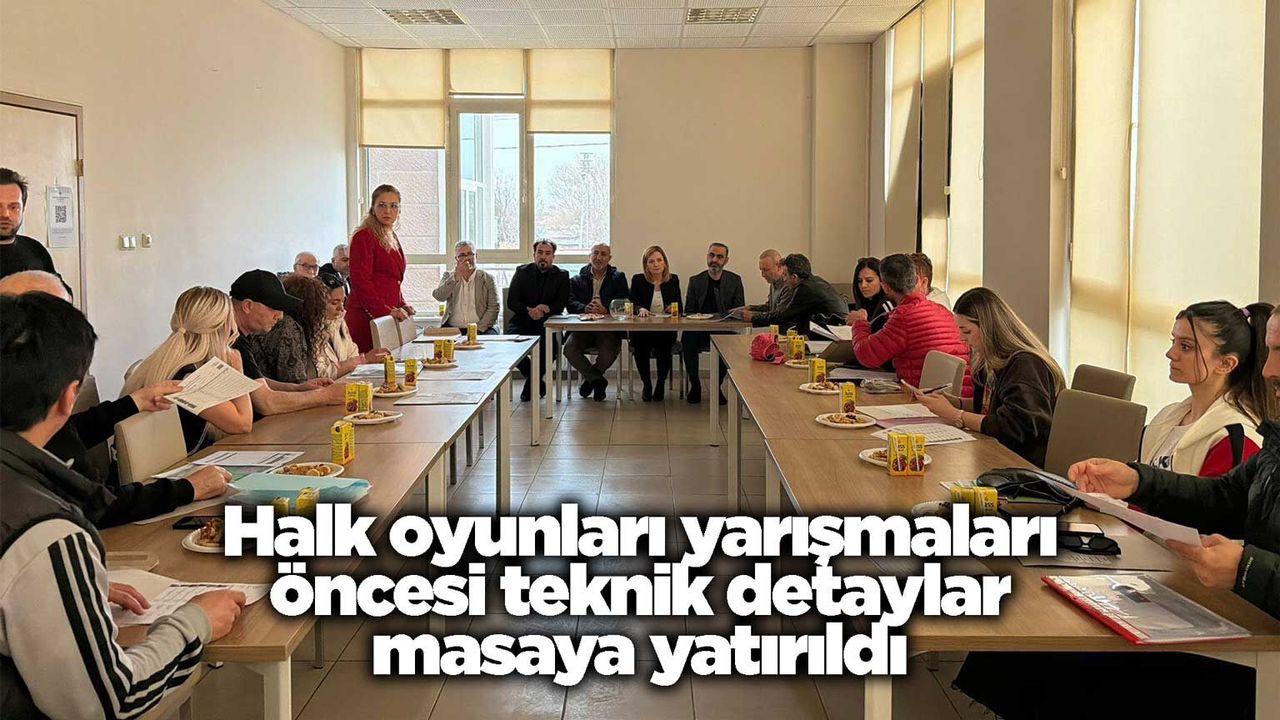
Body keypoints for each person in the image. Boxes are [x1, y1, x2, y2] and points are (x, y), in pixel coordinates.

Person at [954, 305, 1280, 720]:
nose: (1268, 370)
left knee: (1060, 652)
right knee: (1041, 633)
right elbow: (1224, 496)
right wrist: (1137, 480)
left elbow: (1226, 526)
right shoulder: (1268, 442)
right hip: (1221, 602)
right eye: (1270, 350)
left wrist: (1246, 568)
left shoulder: (1238, 433)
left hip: (1252, 645)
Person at [0, 291, 246, 719]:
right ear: (69, 396)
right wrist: (194, 622)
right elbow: (110, 701)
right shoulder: (46, 535)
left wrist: (69, 586)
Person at [0, 271, 231, 527]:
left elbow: (70, 431)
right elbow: (97, 505)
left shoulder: (32, 413)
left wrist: (133, 403)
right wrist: (188, 489)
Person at [912, 288, 1063, 466]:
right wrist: (954, 402)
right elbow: (990, 406)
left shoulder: (1025, 365)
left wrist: (955, 414)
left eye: (967, 332)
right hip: (994, 450)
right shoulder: (988, 359)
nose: (961, 338)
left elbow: (1017, 427)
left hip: (1020, 461)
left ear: (988, 328)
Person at [1140, 301, 1273, 475]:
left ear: (1226, 364)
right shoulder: (1167, 417)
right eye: (1174, 341)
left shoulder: (1233, 435)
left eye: (1186, 347)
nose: (1170, 353)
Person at [123, 286, 256, 452]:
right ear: (222, 327)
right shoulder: (191, 377)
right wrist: (237, 371)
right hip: (176, 466)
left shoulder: (161, 362)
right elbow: (243, 424)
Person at [228, 270, 348, 416]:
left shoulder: (239, 335)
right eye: (274, 307)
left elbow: (255, 382)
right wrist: (325, 395)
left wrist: (298, 388)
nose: (280, 316)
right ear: (247, 306)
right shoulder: (231, 339)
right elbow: (266, 403)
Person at [848, 253, 971, 393]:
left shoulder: (903, 317)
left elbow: (867, 355)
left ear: (885, 287)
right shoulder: (943, 311)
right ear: (917, 280)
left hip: (927, 396)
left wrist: (860, 323)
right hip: (962, 395)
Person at [347, 184, 414, 352]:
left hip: (387, 315)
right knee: (371, 364)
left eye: (394, 206)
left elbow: (392, 280)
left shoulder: (391, 235)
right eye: (382, 205)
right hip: (366, 316)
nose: (388, 211)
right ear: (373, 208)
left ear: (399, 210)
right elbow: (360, 282)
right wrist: (385, 311)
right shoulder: (364, 236)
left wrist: (402, 304)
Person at [564, 243, 629, 401]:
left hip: (607, 328)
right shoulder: (577, 279)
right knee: (569, 349)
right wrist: (584, 308)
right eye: (596, 253)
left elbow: (625, 302)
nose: (599, 257)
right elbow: (570, 302)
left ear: (609, 258)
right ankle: (598, 381)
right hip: (583, 328)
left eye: (603, 254)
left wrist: (606, 308)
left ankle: (591, 380)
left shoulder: (618, 278)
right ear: (590, 256)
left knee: (609, 352)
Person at [507, 240, 570, 401]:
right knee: (510, 345)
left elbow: (561, 304)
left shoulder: (562, 275)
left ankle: (530, 385)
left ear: (553, 257)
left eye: (547, 253)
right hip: (522, 320)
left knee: (551, 347)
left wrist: (547, 308)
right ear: (534, 255)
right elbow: (512, 301)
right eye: (540, 253)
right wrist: (529, 310)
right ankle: (536, 382)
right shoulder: (521, 272)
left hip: (547, 322)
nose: (543, 257)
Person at [239, 274, 330, 384]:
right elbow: (294, 381)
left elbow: (259, 382)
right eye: (274, 307)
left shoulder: (253, 328)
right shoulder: (287, 327)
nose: (280, 316)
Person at [683, 243, 745, 405]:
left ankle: (716, 386)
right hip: (699, 330)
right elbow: (688, 311)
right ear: (707, 256)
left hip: (724, 330)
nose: (714, 260)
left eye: (719, 257)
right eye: (711, 255)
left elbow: (740, 310)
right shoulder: (695, 281)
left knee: (730, 344)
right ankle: (695, 384)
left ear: (726, 260)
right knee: (687, 339)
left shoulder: (735, 280)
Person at [0, 168, 69, 295]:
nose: (5, 214)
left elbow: (64, 294)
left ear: (23, 209)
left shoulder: (34, 248)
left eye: (14, 207)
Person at [747, 254, 846, 338]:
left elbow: (784, 316)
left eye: (785, 275)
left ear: (794, 277)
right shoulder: (815, 281)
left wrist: (753, 318)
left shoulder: (805, 289)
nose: (784, 279)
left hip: (836, 335)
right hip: (837, 330)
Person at [629, 246, 682, 402]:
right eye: (651, 261)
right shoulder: (638, 280)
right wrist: (640, 309)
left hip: (665, 329)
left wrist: (673, 308)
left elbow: (680, 306)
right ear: (646, 265)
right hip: (643, 329)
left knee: (664, 346)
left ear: (665, 262)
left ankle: (660, 384)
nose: (656, 264)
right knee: (640, 346)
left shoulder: (673, 280)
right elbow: (631, 304)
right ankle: (647, 384)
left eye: (659, 260)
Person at [316, 271, 389, 379]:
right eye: (334, 303)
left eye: (343, 302)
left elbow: (352, 354)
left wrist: (361, 361)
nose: (341, 308)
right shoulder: (311, 330)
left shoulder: (339, 322)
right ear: (317, 303)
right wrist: (364, 359)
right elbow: (322, 374)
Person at [432, 241, 499, 334]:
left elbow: (494, 307)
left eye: (470, 254)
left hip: (483, 328)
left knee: (484, 339)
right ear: (456, 259)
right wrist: (455, 277)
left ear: (476, 256)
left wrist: (477, 330)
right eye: (462, 255)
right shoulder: (448, 276)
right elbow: (439, 296)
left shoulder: (487, 278)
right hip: (453, 328)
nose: (467, 258)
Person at [733, 249, 794, 325]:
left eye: (766, 270)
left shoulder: (788, 285)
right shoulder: (773, 282)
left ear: (779, 266)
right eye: (761, 270)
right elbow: (769, 307)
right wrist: (750, 308)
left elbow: (779, 316)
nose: (762, 274)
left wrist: (753, 316)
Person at [851, 256, 894, 328]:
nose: (863, 285)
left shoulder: (887, 306)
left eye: (869, 280)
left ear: (881, 280)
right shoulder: (865, 303)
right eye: (859, 281)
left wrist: (860, 322)